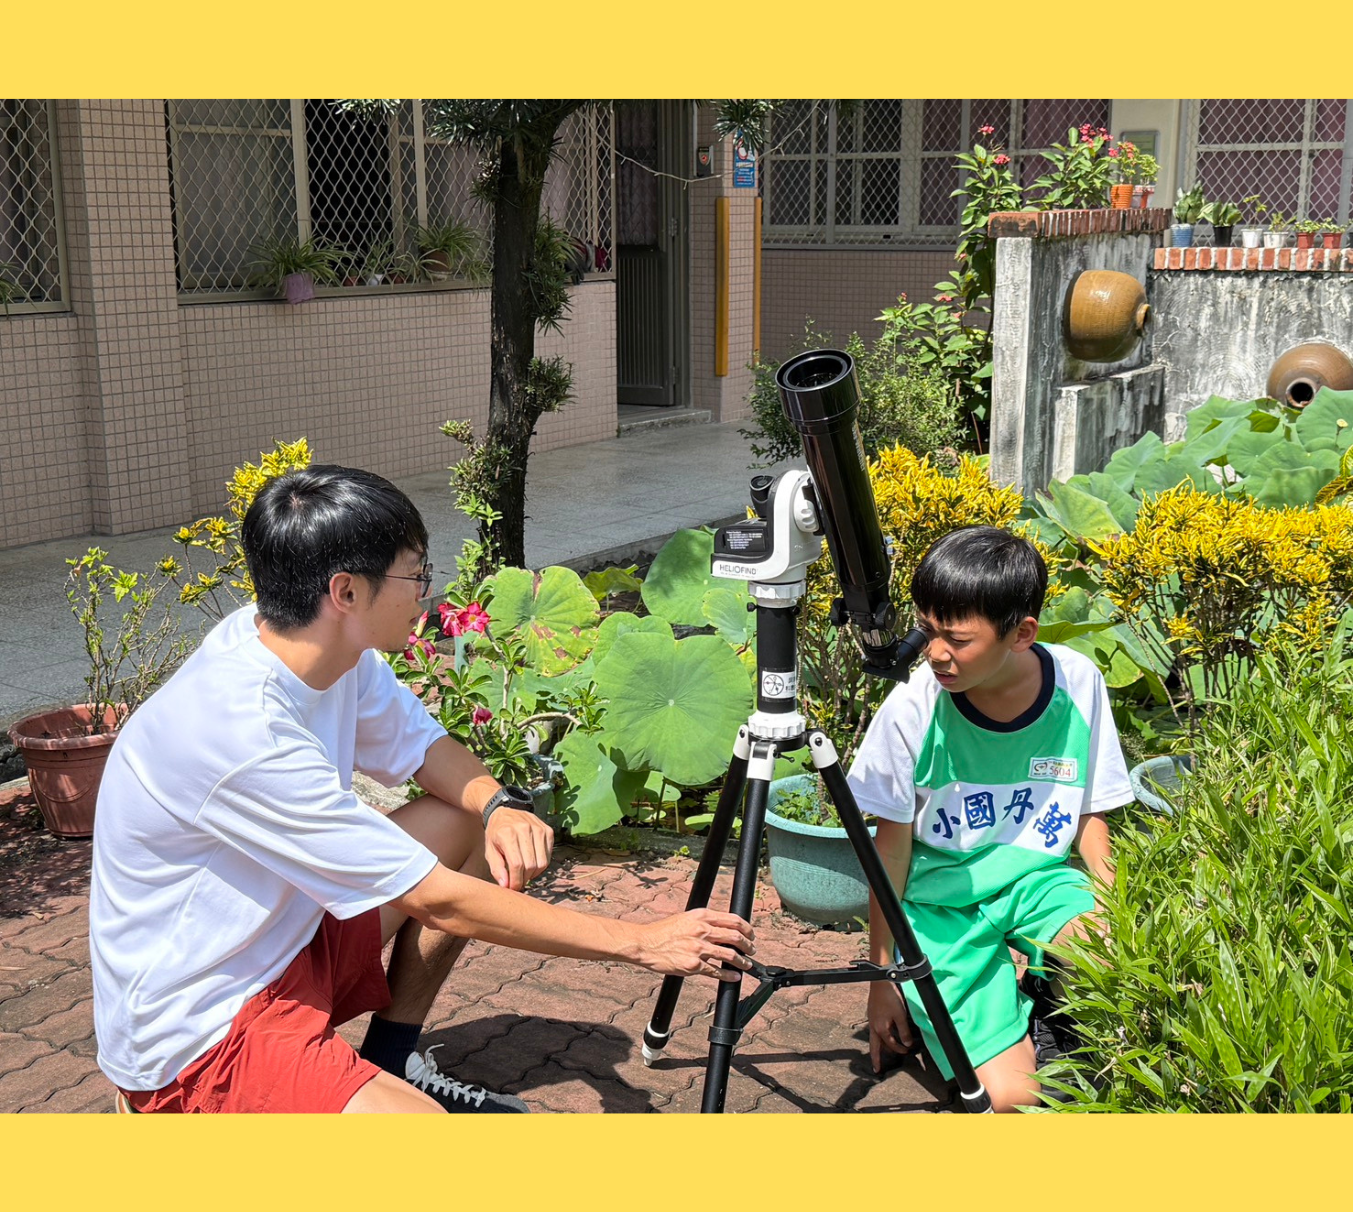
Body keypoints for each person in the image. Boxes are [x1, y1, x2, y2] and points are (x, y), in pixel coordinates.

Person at [89, 465, 754, 1114]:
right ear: (346, 592)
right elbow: (436, 899)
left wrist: (497, 805)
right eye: (415, 575)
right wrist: (641, 942)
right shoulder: (240, 729)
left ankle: (391, 1059)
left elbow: (424, 748)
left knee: (464, 819)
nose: (427, 594)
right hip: (199, 1024)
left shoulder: (313, 647)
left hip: (278, 943)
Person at [846, 525, 1131, 1111]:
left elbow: (1090, 814)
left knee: (1112, 952)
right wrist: (884, 978)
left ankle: (1046, 1000)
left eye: (956, 638)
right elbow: (889, 852)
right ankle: (969, 1014)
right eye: (927, 629)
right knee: (1009, 1099)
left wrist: (1115, 915)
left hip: (1035, 883)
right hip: (940, 905)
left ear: (1021, 633)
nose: (934, 652)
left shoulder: (1078, 681)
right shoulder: (913, 708)